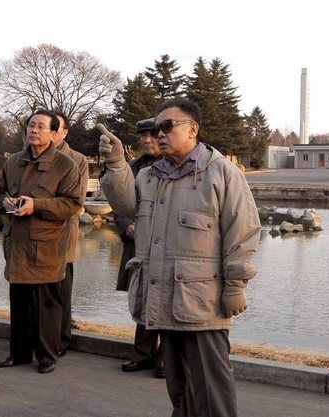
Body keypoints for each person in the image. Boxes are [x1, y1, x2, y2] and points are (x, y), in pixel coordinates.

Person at [99, 98, 261, 417]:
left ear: (192, 130)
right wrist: (117, 164)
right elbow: (126, 207)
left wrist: (236, 286)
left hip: (203, 303)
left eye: (167, 126)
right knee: (179, 387)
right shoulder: (150, 175)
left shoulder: (222, 173)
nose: (158, 134)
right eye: (156, 128)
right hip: (163, 297)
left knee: (210, 390)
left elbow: (243, 232)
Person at [0, 109, 82, 374]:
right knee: (19, 302)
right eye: (31, 125)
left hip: (46, 246)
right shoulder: (13, 162)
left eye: (41, 127)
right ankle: (18, 353)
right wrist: (5, 201)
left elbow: (73, 204)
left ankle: (47, 355)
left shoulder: (65, 165)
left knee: (46, 306)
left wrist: (37, 205)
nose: (34, 130)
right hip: (17, 244)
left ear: (54, 133)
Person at [113, 118, 165, 378]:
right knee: (141, 299)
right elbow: (120, 206)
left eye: (152, 135)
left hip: (167, 246)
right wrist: (126, 226)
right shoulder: (131, 168)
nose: (146, 140)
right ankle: (142, 355)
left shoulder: (173, 166)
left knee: (166, 301)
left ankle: (165, 359)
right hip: (138, 245)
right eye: (143, 136)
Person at [51, 110, 88, 357]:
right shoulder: (27, 157)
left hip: (62, 236)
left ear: (64, 132)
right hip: (31, 240)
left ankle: (61, 340)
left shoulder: (77, 159)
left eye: (55, 128)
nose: (49, 132)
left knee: (62, 290)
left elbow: (77, 201)